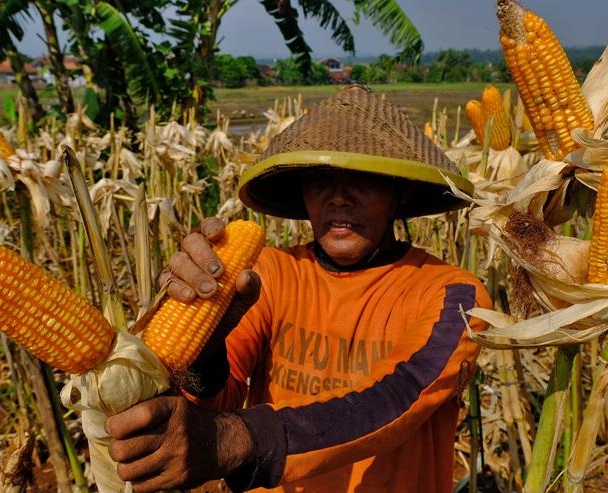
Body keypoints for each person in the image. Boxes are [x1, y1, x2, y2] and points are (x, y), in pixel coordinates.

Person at [104, 85, 491, 493]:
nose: (339, 197)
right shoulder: (270, 273)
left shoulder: (454, 294)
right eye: (320, 179)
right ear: (301, 192)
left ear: (401, 191)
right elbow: (216, 398)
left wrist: (234, 440)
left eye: (363, 179)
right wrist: (203, 337)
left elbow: (402, 395)